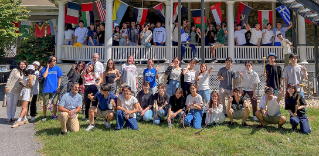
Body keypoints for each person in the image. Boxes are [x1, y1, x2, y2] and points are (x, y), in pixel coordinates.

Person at [41, 56, 63, 121]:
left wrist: (58, 87)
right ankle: (44, 116)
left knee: (55, 103)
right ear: (50, 61)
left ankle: (54, 116)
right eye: (54, 60)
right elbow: (44, 76)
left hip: (55, 89)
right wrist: (47, 67)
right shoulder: (44, 69)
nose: (55, 61)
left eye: (55, 60)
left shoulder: (57, 68)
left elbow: (59, 78)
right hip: (46, 89)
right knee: (45, 104)